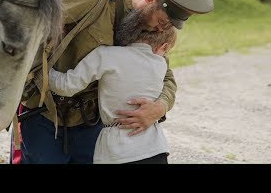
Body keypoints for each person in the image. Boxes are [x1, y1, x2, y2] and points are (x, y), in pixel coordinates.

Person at [18, 0, 214, 164]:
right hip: (45, 117)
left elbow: (165, 73)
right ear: (149, 0)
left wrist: (160, 107)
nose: (161, 29)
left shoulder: (144, 24)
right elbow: (26, 17)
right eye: (163, 22)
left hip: (91, 123)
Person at [49, 21, 177, 164]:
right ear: (164, 47)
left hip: (117, 152)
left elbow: (66, 86)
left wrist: (43, 71)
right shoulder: (160, 64)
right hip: (155, 148)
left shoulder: (105, 55)